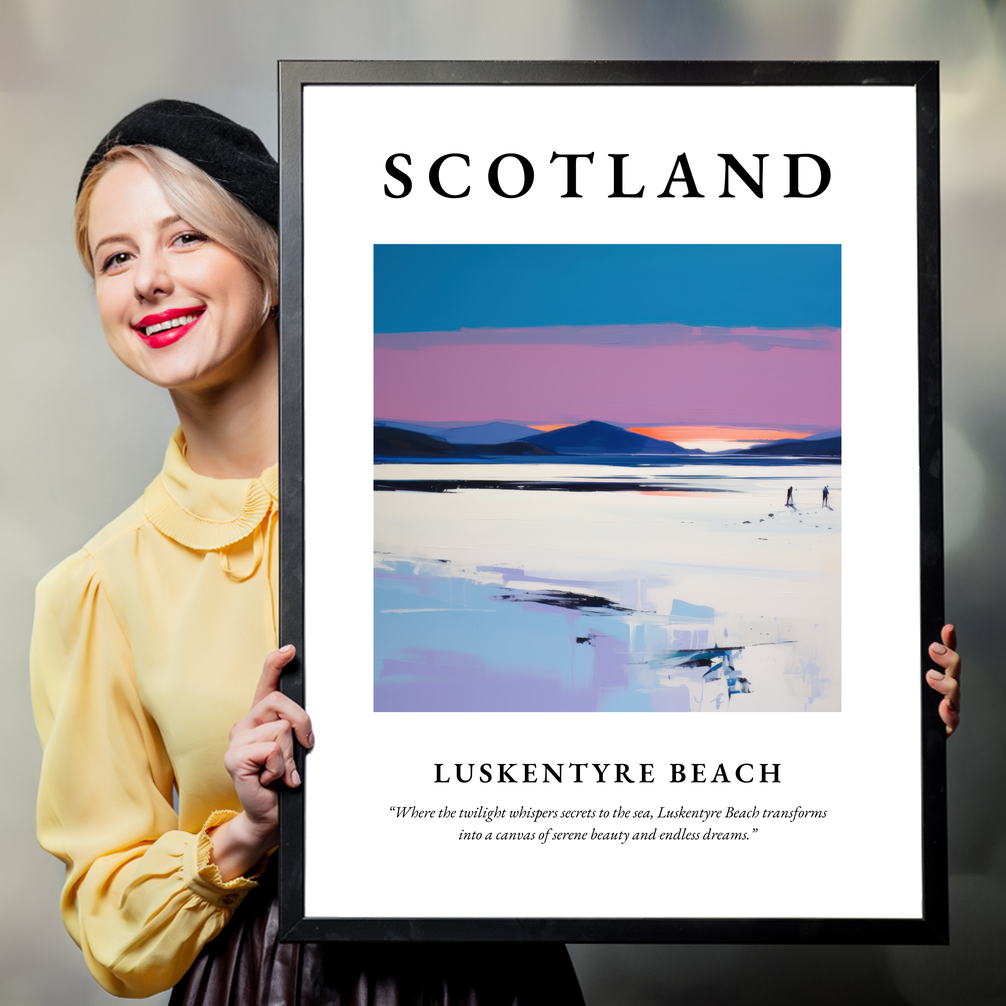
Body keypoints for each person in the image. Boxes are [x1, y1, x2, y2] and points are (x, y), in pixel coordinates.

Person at [30, 100, 584, 1004]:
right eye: (116, 257)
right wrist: (244, 832)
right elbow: (110, 923)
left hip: (492, 973)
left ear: (273, 263)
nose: (148, 281)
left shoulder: (450, 501)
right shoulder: (98, 587)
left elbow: (616, 698)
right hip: (263, 982)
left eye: (186, 238)